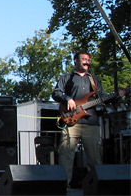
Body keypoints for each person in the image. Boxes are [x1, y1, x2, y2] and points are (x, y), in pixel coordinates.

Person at [52, 50, 125, 186]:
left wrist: (117, 96)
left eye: (88, 59)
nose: (87, 61)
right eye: (84, 59)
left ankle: (96, 186)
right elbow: (56, 93)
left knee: (95, 157)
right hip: (71, 122)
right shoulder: (67, 77)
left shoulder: (94, 79)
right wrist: (68, 99)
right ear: (76, 61)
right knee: (66, 154)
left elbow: (102, 98)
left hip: (91, 122)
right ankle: (64, 186)